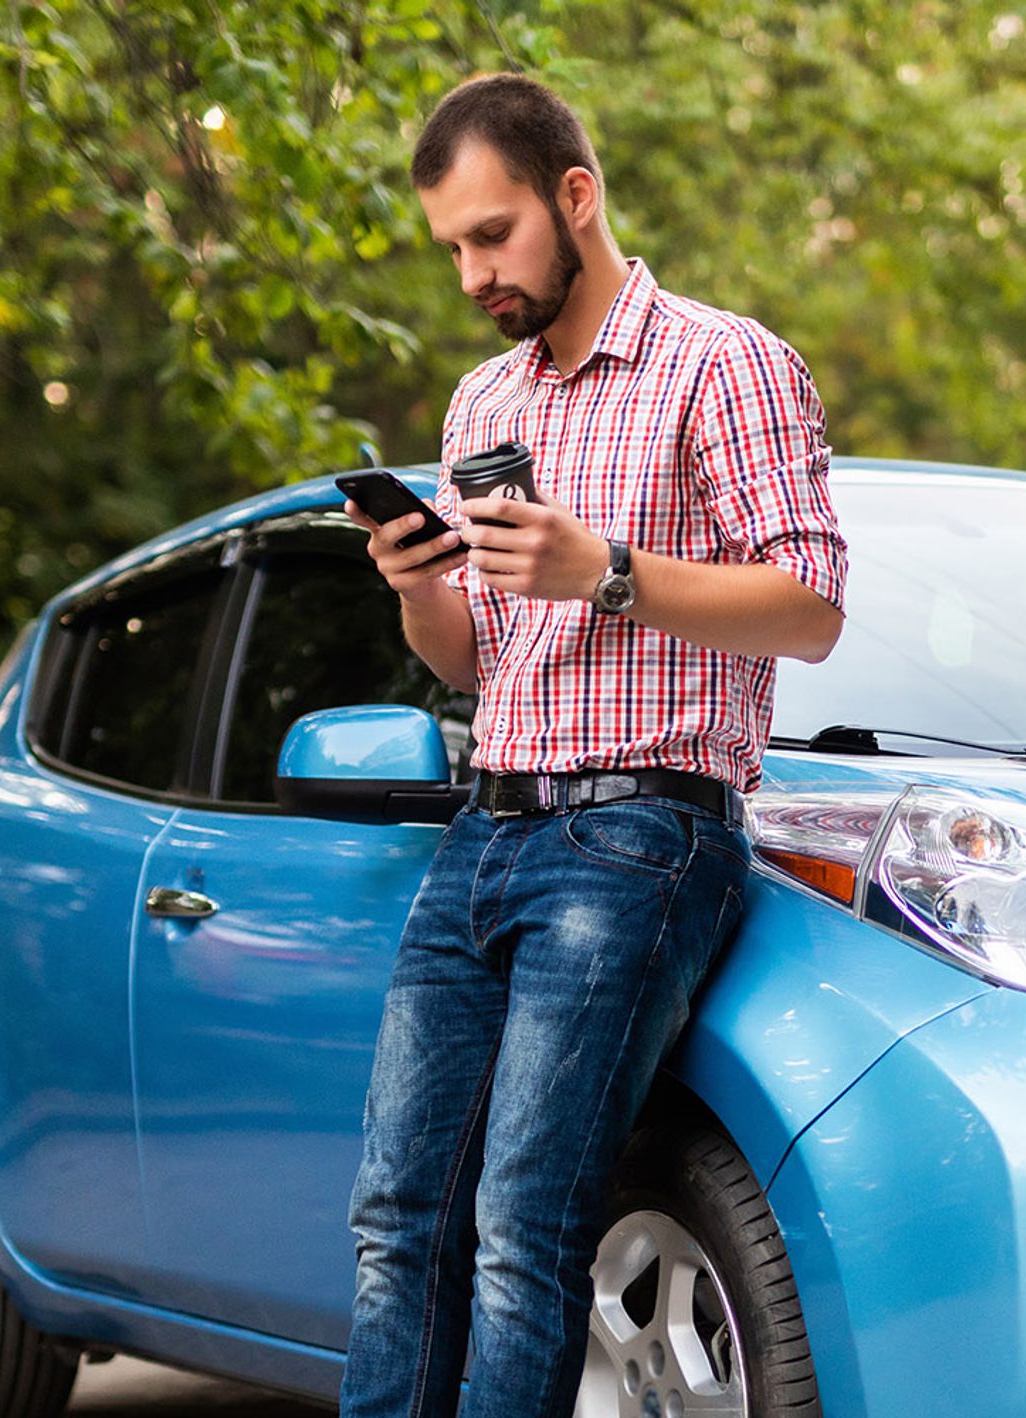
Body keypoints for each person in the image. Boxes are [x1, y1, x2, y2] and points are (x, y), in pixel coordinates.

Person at [336, 73, 848, 1418]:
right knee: (396, 1217)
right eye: (452, 246)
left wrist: (606, 568)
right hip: (484, 830)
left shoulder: (722, 361)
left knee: (521, 1229)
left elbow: (808, 605)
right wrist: (416, 581)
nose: (472, 272)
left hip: (637, 833)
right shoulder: (478, 403)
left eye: (492, 234)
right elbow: (475, 659)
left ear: (577, 196)